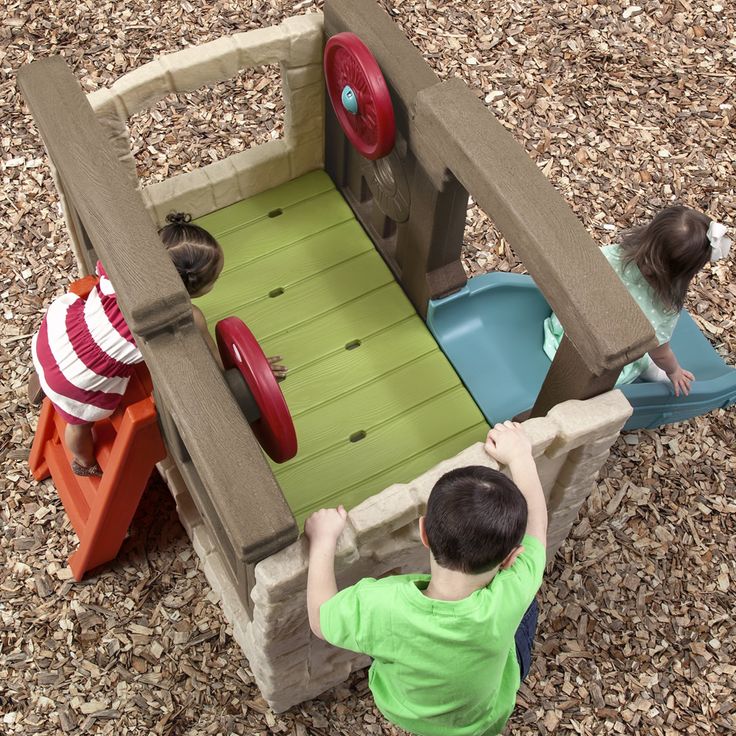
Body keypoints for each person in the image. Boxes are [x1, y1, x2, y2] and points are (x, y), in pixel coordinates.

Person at [305, 421, 547, 736]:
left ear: (423, 533)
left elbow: (320, 618)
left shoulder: (383, 605)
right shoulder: (510, 592)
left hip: (407, 711)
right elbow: (537, 528)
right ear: (511, 557)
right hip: (483, 720)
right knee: (528, 605)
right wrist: (520, 456)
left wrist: (322, 540)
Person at [30, 212, 285, 476]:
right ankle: (83, 462)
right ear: (197, 287)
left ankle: (44, 383)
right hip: (77, 379)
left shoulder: (121, 268)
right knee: (79, 426)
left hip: (54, 338)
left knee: (79, 342)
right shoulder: (185, 318)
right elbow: (215, 367)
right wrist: (254, 377)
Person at [543, 206, 731, 396]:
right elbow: (659, 352)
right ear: (685, 273)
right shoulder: (662, 307)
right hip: (598, 365)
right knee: (641, 353)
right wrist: (673, 371)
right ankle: (651, 374)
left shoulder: (613, 255)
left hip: (563, 333)